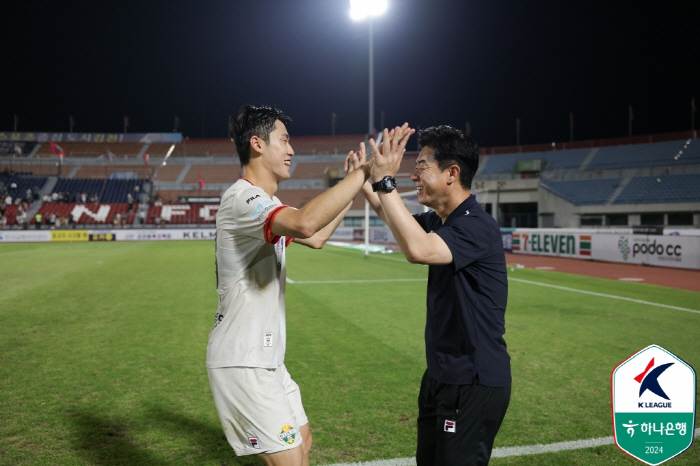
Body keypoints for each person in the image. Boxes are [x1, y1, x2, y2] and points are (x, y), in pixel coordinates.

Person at [206, 104, 413, 466]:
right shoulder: (243, 198)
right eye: (284, 141)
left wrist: (351, 187)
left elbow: (314, 237)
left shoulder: (266, 203)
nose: (291, 151)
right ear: (257, 144)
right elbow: (304, 223)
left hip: (268, 360)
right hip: (244, 360)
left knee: (303, 441)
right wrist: (368, 170)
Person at [349, 125, 510, 466]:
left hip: (473, 380)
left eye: (422, 165)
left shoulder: (477, 225)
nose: (414, 174)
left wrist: (385, 180)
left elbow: (418, 249)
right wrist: (364, 178)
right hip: (441, 374)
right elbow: (392, 217)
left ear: (452, 173)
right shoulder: (441, 220)